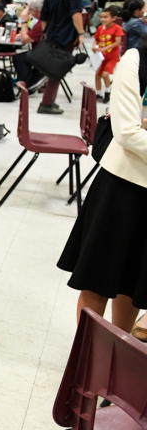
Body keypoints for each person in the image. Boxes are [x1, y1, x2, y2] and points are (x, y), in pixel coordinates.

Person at [58, 45, 147, 334]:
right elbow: (127, 132)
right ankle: (85, 363)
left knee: (132, 283)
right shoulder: (136, 59)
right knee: (98, 278)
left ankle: (120, 357)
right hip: (121, 188)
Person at [36, 0, 90, 115]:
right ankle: (46, 103)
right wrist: (81, 34)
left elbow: (44, 16)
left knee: (53, 68)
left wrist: (46, 33)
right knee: (58, 69)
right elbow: (75, 14)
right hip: (66, 35)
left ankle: (47, 101)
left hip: (52, 34)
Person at [93, 5, 125, 102]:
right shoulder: (100, 28)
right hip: (101, 57)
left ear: (114, 18)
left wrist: (106, 48)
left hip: (112, 57)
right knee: (97, 75)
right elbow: (96, 39)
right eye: (102, 17)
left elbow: (117, 42)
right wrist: (94, 46)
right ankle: (98, 94)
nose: (103, 19)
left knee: (105, 75)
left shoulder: (117, 28)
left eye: (106, 17)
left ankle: (108, 92)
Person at [13, 0, 46, 88]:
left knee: (18, 58)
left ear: (35, 10)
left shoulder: (41, 23)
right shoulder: (43, 19)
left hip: (43, 55)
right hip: (45, 51)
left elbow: (24, 40)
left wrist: (24, 21)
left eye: (30, 10)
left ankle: (28, 84)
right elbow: (28, 35)